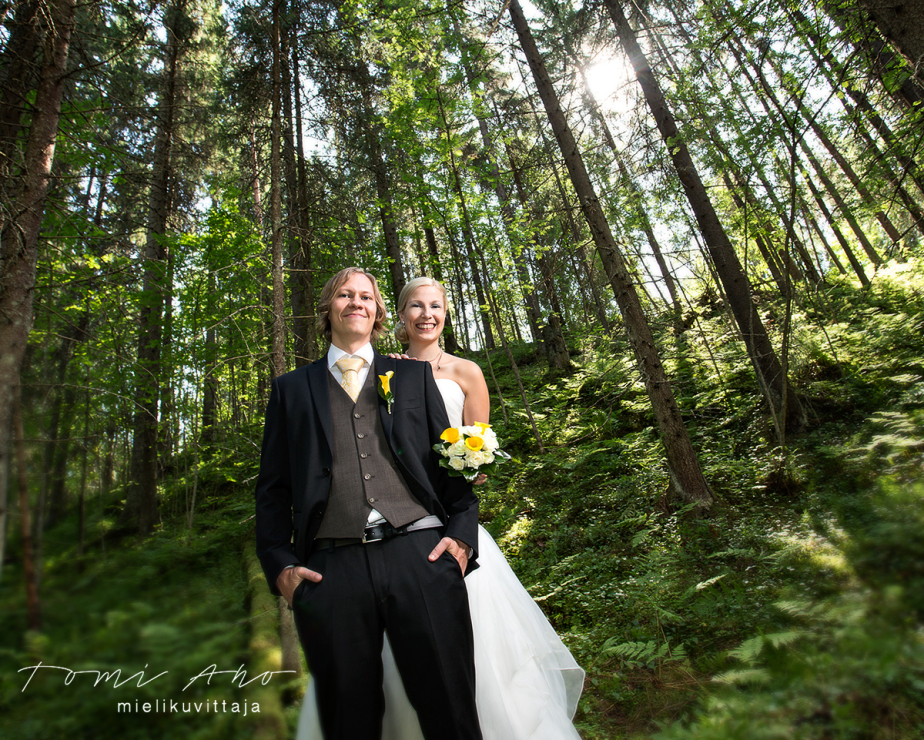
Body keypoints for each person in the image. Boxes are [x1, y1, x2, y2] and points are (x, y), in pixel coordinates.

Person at [298, 277, 585, 740]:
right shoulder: (383, 370)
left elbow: (477, 447)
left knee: (464, 666)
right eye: (416, 306)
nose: (426, 315)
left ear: (446, 313)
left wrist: (470, 469)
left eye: (435, 306)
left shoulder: (466, 372)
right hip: (385, 535)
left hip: (444, 528)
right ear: (400, 314)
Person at [255, 267, 482, 740]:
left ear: (378, 311)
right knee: (348, 721)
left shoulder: (414, 376)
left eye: (366, 296)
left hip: (421, 555)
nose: (356, 302)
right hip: (331, 569)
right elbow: (273, 490)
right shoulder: (290, 390)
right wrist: (281, 567)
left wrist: (461, 537)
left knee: (451, 710)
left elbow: (450, 465)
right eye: (344, 294)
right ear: (328, 308)